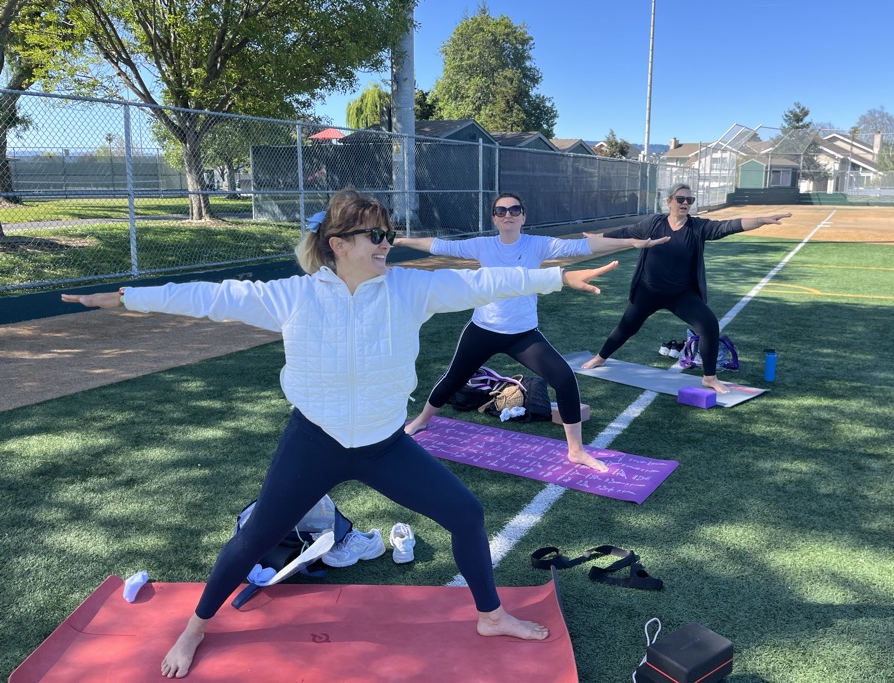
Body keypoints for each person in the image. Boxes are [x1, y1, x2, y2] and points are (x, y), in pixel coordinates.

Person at [61, 189, 618, 679]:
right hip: (315, 441)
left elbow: (485, 280)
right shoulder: (293, 296)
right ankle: (196, 625)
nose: (387, 244)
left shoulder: (408, 289)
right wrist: (126, 297)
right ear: (337, 242)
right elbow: (210, 297)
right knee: (254, 537)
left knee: (466, 514)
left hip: (383, 444)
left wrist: (557, 276)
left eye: (389, 234)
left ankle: (491, 616)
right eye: (376, 235)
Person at [396, 192, 670, 473]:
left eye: (514, 210)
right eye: (501, 211)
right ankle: (422, 420)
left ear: (523, 217)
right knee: (454, 377)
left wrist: (632, 242)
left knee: (564, 379)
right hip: (483, 329)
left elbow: (583, 246)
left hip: (523, 334)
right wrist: (399, 240)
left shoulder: (537, 245)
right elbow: (437, 245)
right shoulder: (482, 246)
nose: (508, 215)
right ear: (494, 218)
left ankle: (576, 451)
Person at [582, 184, 791, 393]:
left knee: (709, 325)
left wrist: (760, 220)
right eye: (680, 199)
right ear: (669, 201)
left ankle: (709, 378)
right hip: (648, 291)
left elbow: (729, 225)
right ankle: (600, 358)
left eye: (689, 200)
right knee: (627, 327)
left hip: (680, 294)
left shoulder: (697, 227)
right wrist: (600, 238)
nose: (685, 203)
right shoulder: (653, 223)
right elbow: (626, 232)